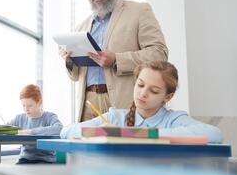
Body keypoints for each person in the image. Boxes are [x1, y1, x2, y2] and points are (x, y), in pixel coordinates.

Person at [59, 0, 168, 122]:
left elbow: (159, 53)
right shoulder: (80, 27)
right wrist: (69, 62)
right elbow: (76, 76)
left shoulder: (139, 11)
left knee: (123, 147)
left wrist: (116, 59)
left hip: (122, 101)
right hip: (87, 103)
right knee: (85, 147)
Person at [60, 61, 223, 143]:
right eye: (140, 85)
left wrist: (135, 135)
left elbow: (215, 134)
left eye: (154, 91)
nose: (143, 94)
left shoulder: (173, 120)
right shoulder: (115, 117)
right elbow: (66, 132)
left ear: (168, 96)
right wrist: (102, 133)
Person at [7, 84, 63, 164]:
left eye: (30, 105)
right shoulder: (19, 118)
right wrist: (4, 128)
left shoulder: (49, 117)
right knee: (12, 174)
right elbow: (6, 128)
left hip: (46, 160)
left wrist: (31, 131)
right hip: (25, 159)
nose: (26, 109)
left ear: (39, 102)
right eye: (23, 105)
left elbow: (59, 128)